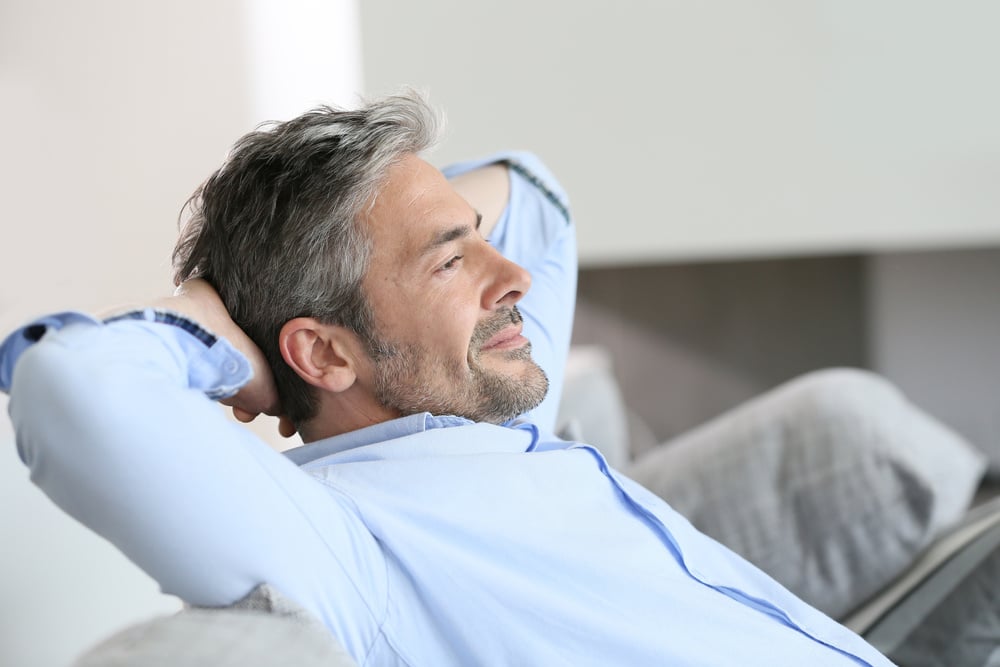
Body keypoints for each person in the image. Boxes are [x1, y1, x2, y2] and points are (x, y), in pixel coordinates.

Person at [1, 92, 893, 665]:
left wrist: (432, 226)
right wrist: (221, 333)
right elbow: (71, 385)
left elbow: (539, 198)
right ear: (325, 355)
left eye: (478, 238)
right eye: (448, 262)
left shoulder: (477, 405)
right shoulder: (344, 543)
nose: (514, 279)